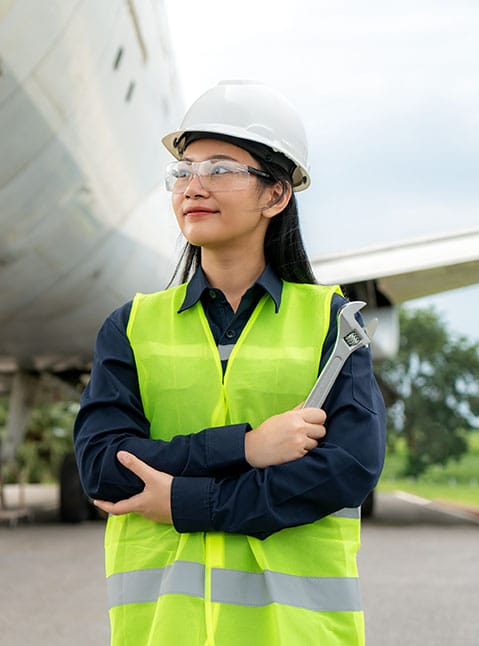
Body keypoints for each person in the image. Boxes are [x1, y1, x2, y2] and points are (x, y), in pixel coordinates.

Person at [72, 80, 387, 645]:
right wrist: (245, 448)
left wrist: (188, 501)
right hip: (163, 633)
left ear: (276, 194)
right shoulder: (130, 327)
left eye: (220, 169)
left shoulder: (329, 323)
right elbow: (101, 466)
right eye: (183, 171)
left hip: (294, 633)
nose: (194, 187)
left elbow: (348, 469)